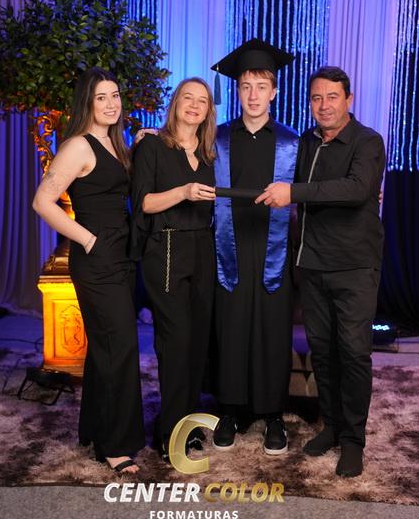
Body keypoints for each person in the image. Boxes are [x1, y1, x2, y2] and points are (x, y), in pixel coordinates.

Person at [257, 66, 385, 477]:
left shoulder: (368, 141)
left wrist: (294, 193)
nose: (324, 105)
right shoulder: (307, 143)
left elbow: (356, 189)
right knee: (324, 353)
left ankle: (353, 440)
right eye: (316, 98)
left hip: (354, 267)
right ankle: (331, 425)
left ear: (349, 100)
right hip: (312, 264)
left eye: (332, 97)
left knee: (354, 354)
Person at [32, 67, 145, 475]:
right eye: (101, 97)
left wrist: (141, 143)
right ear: (87, 103)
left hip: (121, 256)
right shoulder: (78, 145)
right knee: (119, 347)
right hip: (97, 259)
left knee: (104, 348)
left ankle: (96, 430)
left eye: (115, 95)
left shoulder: (115, 142)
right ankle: (115, 446)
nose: (111, 103)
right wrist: (88, 239)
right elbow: (42, 202)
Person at [211, 39, 299, 455]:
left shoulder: (292, 141)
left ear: (274, 92)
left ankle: (272, 415)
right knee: (230, 329)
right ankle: (229, 411)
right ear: (238, 90)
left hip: (273, 247)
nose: (253, 95)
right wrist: (150, 133)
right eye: (246, 86)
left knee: (272, 332)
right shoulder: (217, 138)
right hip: (229, 245)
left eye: (261, 87)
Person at [131, 77, 217, 462]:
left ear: (208, 111)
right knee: (176, 341)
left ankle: (188, 426)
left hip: (203, 248)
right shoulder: (152, 145)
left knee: (197, 342)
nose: (194, 105)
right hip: (166, 247)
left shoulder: (211, 153)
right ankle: (170, 433)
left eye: (202, 101)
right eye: (188, 98)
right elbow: (144, 202)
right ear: (175, 102)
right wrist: (183, 191)